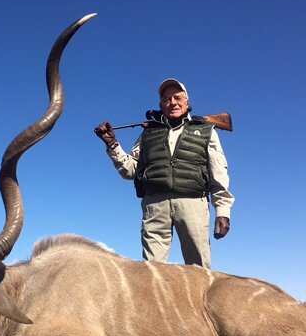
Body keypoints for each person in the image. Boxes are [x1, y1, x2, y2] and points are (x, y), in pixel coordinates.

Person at [94, 78, 234, 268]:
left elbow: (219, 172)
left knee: (198, 270)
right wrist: (112, 145)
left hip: (193, 203)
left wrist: (222, 211)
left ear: (187, 102)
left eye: (177, 98)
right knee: (152, 270)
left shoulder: (206, 130)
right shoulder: (147, 133)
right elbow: (130, 170)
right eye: (167, 99)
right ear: (161, 105)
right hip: (154, 205)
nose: (173, 102)